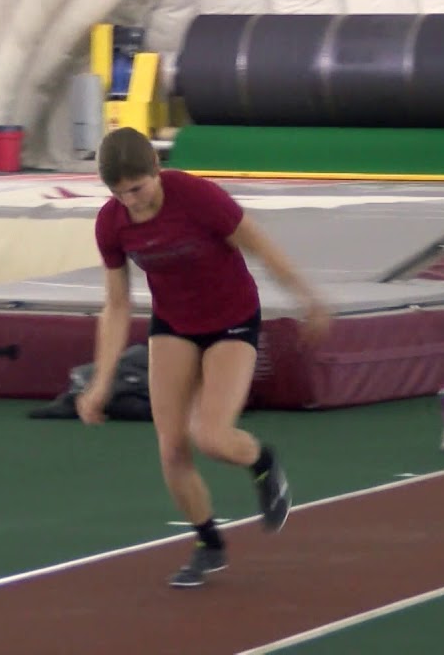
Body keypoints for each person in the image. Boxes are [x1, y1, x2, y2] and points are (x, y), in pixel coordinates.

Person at [76, 126, 331, 588]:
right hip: (174, 324)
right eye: (119, 194)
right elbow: (116, 303)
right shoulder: (111, 223)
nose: (132, 201)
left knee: (211, 436)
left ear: (157, 168)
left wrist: (306, 297)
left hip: (231, 319)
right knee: (172, 446)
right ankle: (208, 543)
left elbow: (260, 247)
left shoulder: (197, 197)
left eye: (138, 189)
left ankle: (262, 461)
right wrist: (101, 381)